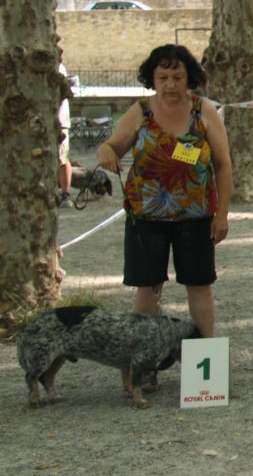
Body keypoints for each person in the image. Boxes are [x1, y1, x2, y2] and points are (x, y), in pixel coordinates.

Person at [97, 45, 232, 339]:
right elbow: (112, 145)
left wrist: (222, 215)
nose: (170, 84)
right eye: (163, 77)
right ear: (152, 79)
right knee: (148, 288)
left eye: (177, 77)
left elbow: (223, 166)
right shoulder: (140, 111)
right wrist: (106, 152)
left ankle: (206, 357)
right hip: (145, 219)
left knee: (199, 286)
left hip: (196, 218)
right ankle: (144, 364)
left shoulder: (204, 110)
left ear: (189, 78)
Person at [57, 64, 73, 208]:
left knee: (62, 158)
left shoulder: (58, 67)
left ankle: (65, 194)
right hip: (38, 122)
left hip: (59, 121)